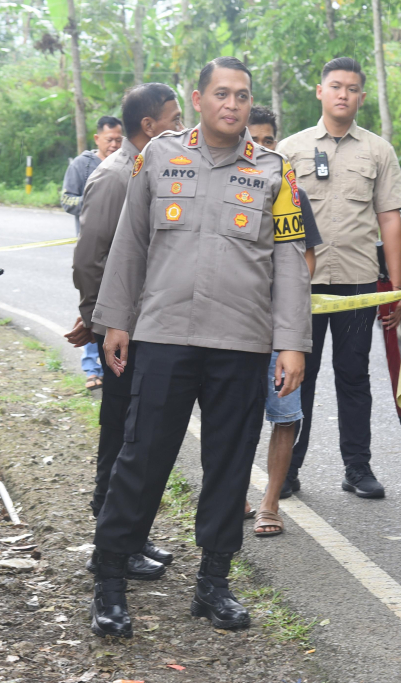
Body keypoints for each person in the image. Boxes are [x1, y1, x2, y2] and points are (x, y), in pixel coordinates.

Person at [87, 56, 312, 638]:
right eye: (222, 94)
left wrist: (291, 343)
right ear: (197, 99)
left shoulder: (274, 172)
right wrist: (115, 321)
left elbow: (289, 263)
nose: (233, 104)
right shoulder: (158, 157)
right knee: (142, 460)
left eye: (242, 95)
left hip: (241, 343)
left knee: (228, 467)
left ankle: (214, 583)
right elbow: (130, 244)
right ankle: (109, 580)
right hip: (163, 337)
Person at [276, 57, 401, 500]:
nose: (343, 95)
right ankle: (288, 469)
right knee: (300, 376)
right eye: (335, 86)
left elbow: (389, 219)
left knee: (354, 377)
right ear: (320, 91)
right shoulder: (290, 150)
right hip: (303, 285)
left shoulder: (378, 151)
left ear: (361, 97)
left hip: (357, 283)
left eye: (352, 88)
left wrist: (394, 287)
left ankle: (357, 468)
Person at [66, 82, 184, 579]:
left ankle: (131, 535)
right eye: (175, 119)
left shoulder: (155, 166)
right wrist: (99, 319)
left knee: (143, 438)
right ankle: (111, 543)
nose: (184, 127)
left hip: (151, 327)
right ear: (149, 127)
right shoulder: (115, 176)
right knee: (122, 436)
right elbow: (91, 257)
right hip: (124, 331)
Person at [244, 105, 323, 537]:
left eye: (268, 139)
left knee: (285, 413)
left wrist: (285, 305)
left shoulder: (289, 191)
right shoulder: (225, 187)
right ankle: (235, 490)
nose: (259, 146)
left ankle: (270, 504)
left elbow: (305, 258)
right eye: (251, 137)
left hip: (279, 328)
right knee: (234, 414)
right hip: (235, 325)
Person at [62, 116, 124, 391]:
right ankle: (92, 367)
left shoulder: (129, 163)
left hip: (120, 253)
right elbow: (66, 198)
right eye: (109, 139)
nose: (113, 144)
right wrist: (95, 202)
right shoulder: (83, 165)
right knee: (92, 310)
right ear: (97, 139)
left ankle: (114, 366)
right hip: (93, 250)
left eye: (118, 140)